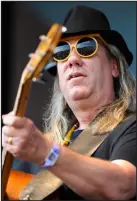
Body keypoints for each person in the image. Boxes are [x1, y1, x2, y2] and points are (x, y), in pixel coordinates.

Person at [2, 5, 136, 200]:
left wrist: (46, 152)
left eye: (86, 47)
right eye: (62, 51)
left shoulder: (130, 129)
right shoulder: (36, 145)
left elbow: (123, 185)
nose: (72, 59)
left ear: (113, 66)